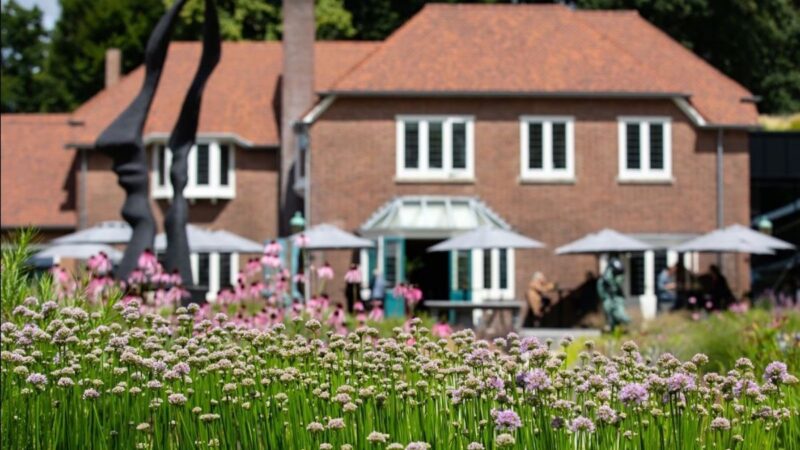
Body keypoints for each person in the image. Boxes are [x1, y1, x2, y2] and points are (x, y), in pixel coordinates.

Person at [597, 257, 630, 331]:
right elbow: (602, 292)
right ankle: (610, 325)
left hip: (617, 298)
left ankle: (624, 324)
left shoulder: (618, 279)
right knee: (608, 308)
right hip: (608, 298)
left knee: (620, 314)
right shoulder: (604, 280)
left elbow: (619, 288)